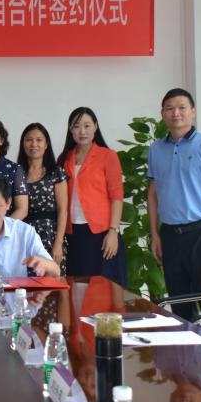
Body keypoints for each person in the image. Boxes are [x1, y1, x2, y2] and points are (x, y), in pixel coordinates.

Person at [147, 88, 201, 321]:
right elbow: (153, 194)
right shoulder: (156, 149)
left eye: (182, 107)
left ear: (193, 112)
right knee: (179, 305)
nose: (176, 113)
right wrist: (155, 234)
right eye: (169, 108)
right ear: (162, 114)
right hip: (170, 236)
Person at [56, 107, 126, 284]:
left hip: (100, 233)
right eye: (77, 126)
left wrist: (113, 231)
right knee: (76, 286)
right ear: (70, 129)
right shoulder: (63, 159)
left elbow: (116, 197)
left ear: (95, 126)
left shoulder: (108, 156)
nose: (82, 131)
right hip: (71, 233)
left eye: (87, 125)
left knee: (102, 288)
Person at [16, 122, 68, 276]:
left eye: (39, 140)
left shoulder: (56, 173)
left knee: (53, 283)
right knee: (25, 283)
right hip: (23, 236)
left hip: (50, 235)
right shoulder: (16, 173)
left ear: (46, 145)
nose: (34, 144)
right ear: (23, 144)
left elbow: (63, 210)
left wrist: (58, 243)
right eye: (29, 140)